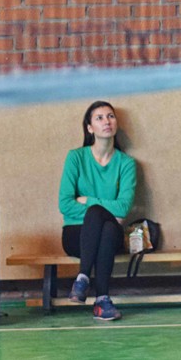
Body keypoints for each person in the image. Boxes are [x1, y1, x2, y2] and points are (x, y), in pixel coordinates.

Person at [58, 101, 136, 322]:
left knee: (102, 221)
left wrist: (88, 200)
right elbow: (65, 204)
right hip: (76, 234)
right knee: (106, 224)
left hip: (111, 238)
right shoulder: (75, 158)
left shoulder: (126, 163)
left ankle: (82, 279)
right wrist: (104, 210)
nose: (106, 121)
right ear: (90, 128)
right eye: (99, 118)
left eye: (110, 116)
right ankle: (102, 300)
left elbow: (124, 207)